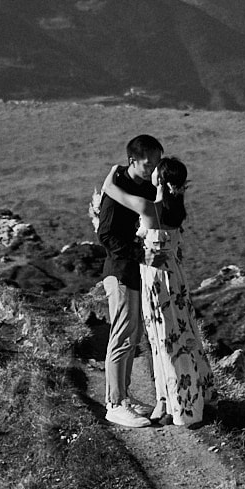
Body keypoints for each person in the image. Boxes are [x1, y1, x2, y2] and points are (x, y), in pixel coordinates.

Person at [136, 156, 213, 426]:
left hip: (156, 279)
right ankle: (179, 398)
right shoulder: (176, 210)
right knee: (180, 335)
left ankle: (170, 402)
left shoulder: (151, 210)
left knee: (163, 340)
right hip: (175, 277)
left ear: (161, 179)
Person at [94, 134, 160, 428]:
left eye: (157, 162)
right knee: (121, 336)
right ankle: (114, 404)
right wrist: (138, 253)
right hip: (120, 270)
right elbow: (105, 234)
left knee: (131, 336)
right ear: (133, 160)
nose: (153, 167)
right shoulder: (118, 187)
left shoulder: (141, 186)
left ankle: (124, 397)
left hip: (131, 269)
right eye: (149, 163)